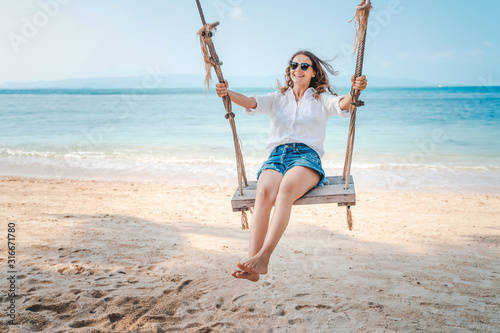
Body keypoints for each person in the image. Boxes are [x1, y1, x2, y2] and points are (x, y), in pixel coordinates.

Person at [215, 50, 368, 282]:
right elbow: (251, 102)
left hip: (306, 158)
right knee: (264, 193)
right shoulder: (277, 98)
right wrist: (228, 92)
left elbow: (343, 103)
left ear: (313, 72)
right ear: (289, 69)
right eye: (294, 64)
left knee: (285, 190)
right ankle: (252, 266)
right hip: (277, 156)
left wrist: (355, 91)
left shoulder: (320, 99)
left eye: (304, 66)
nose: (298, 69)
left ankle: (264, 257)